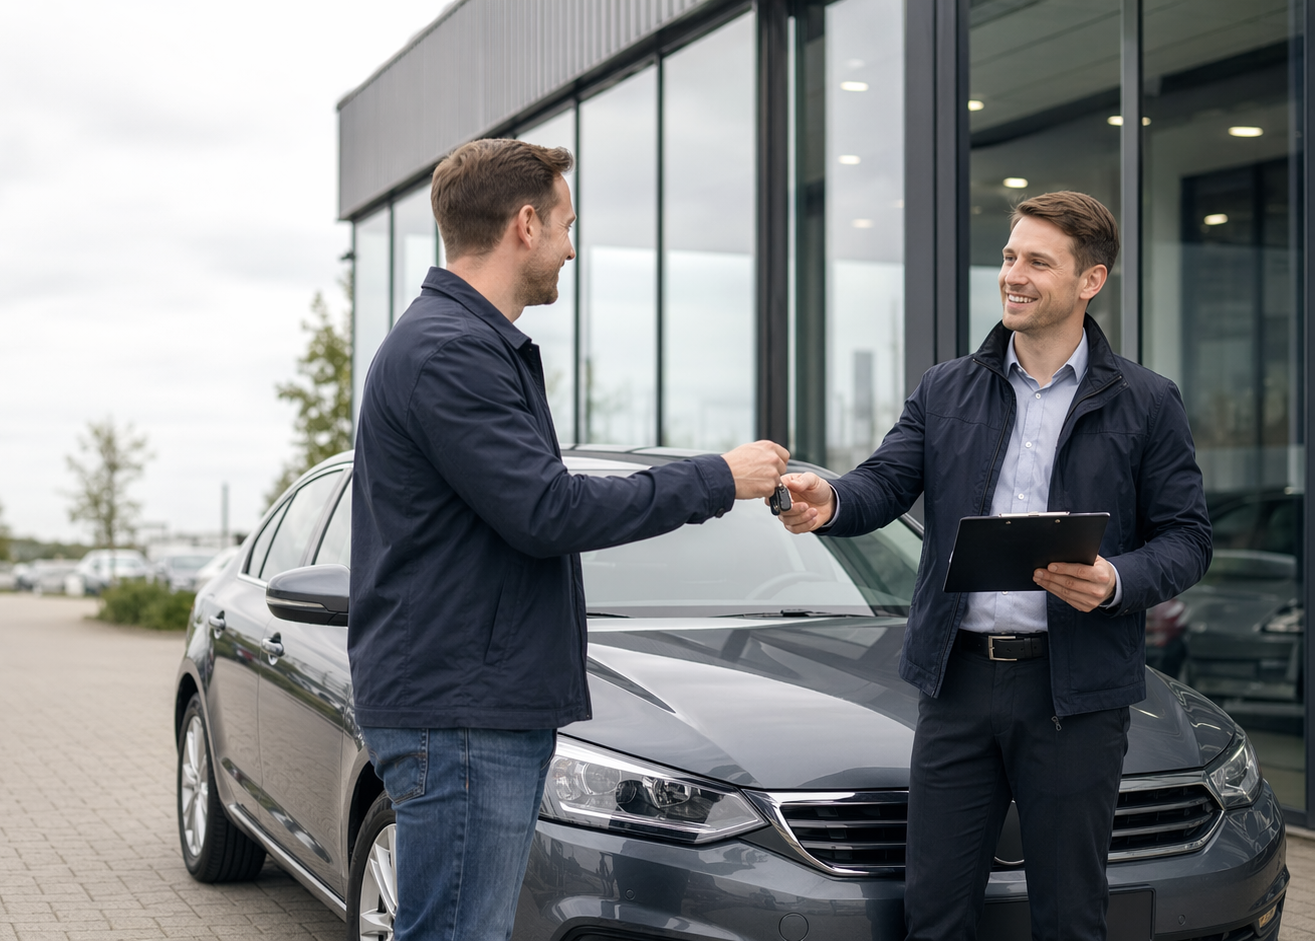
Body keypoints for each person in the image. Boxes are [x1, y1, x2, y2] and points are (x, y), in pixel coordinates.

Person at [348, 138, 789, 941]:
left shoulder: (461, 343)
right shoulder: (452, 351)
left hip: (469, 704)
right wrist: (719, 478)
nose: (571, 245)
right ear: (524, 224)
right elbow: (549, 512)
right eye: (565, 223)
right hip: (463, 714)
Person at [779, 191, 1210, 941]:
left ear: (1090, 280)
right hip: (959, 685)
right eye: (1010, 256)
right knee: (936, 915)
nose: (1013, 274)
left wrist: (1115, 581)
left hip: (1075, 692)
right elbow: (882, 484)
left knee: (1070, 918)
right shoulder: (947, 387)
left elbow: (1187, 538)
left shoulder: (1148, 401)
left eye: (1037, 261)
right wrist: (831, 500)